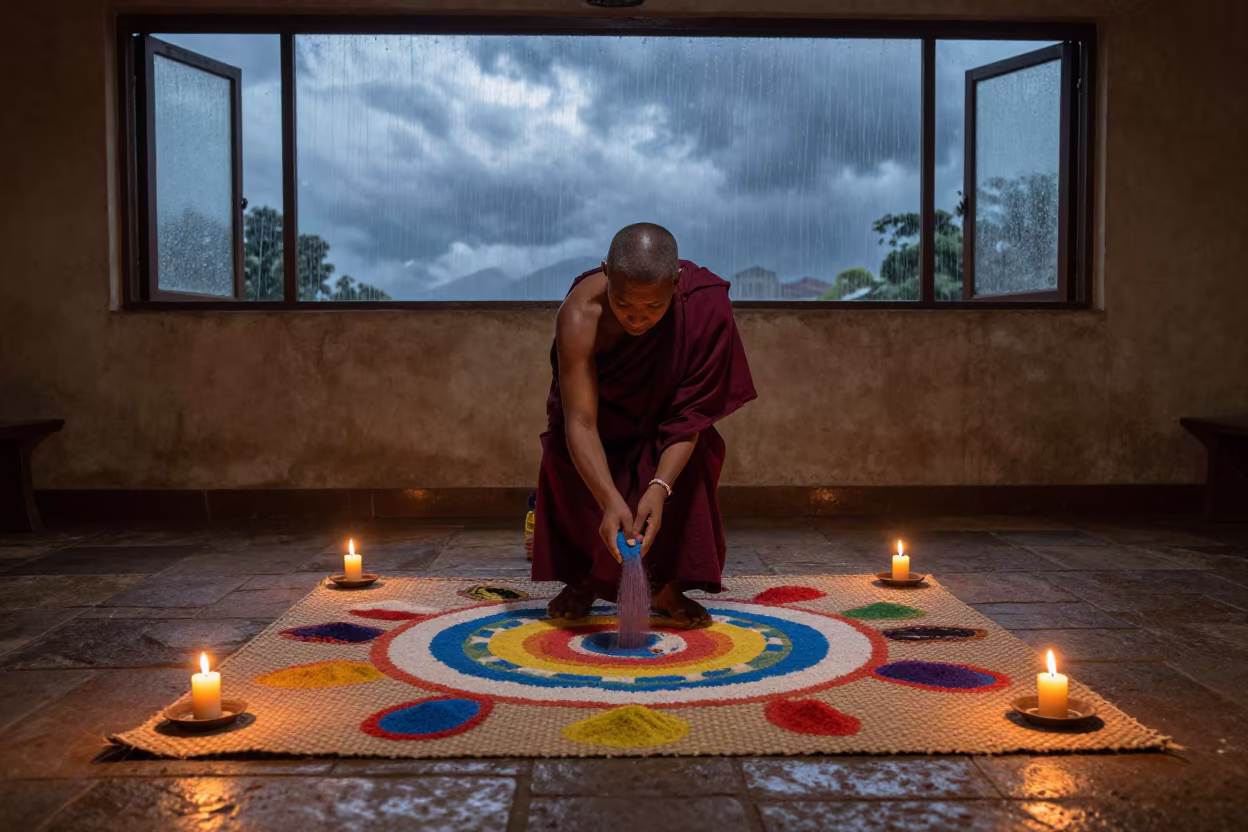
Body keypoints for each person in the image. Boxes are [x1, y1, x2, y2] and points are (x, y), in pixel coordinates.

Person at [531, 222, 757, 628]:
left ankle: (665, 586)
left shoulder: (703, 305)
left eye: (653, 307)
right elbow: (580, 423)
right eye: (624, 304)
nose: (638, 319)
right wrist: (608, 499)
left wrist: (660, 486)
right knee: (566, 456)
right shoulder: (580, 313)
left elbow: (690, 414)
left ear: (676, 282)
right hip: (599, 425)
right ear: (605, 272)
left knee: (698, 451)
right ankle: (585, 580)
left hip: (664, 425)